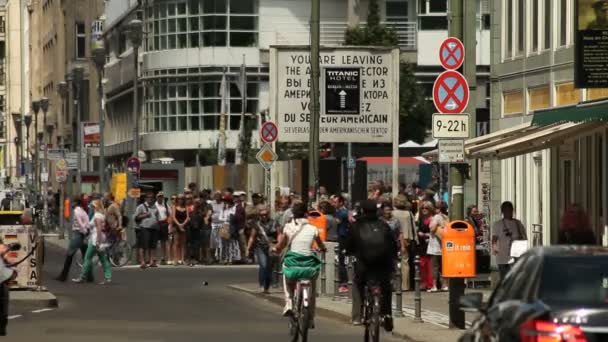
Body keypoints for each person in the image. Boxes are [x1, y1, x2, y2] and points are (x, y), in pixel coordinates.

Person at [346, 200, 398, 332]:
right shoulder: (383, 225)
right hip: (382, 264)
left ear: (362, 211)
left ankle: (357, 316)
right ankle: (387, 315)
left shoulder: (356, 226)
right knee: (386, 287)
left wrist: (348, 252)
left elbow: (349, 245)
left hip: (364, 264)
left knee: (358, 284)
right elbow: (393, 245)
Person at [272, 201, 326, 327]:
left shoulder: (288, 227)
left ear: (293, 214)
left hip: (293, 264)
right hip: (309, 265)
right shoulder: (313, 228)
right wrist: (322, 249)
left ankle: (289, 302)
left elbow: (282, 244)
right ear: (306, 214)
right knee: (312, 292)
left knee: (286, 275)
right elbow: (320, 244)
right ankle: (310, 319)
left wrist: (275, 249)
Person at [73, 200, 112, 285]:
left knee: (87, 257)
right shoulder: (102, 215)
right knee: (103, 259)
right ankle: (108, 277)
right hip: (101, 238)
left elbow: (98, 228)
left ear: (96, 207)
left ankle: (82, 277)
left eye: (92, 206)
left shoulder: (97, 215)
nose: (91, 208)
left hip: (95, 239)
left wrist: (98, 241)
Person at [55, 197, 90, 282]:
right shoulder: (83, 211)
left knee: (69, 255)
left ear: (76, 203)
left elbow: (80, 223)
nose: (71, 204)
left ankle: (63, 276)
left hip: (77, 234)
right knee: (86, 256)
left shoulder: (76, 211)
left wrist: (84, 231)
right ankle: (89, 276)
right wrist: (86, 232)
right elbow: (87, 222)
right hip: (82, 235)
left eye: (73, 203)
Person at [491, 201, 527, 281]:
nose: (508, 212)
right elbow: (494, 238)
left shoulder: (518, 223)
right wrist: (494, 248)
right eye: (506, 210)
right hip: (502, 257)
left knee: (515, 279)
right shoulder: (497, 224)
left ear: (512, 210)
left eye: (510, 210)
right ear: (502, 211)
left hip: (516, 257)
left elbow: (524, 238)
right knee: (504, 280)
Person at [245, 206, 272, 293]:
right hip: (261, 247)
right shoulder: (257, 225)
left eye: (265, 215)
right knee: (263, 265)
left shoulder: (274, 223)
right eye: (262, 215)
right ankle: (262, 285)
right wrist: (248, 249)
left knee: (269, 267)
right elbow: (252, 237)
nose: (264, 216)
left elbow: (279, 234)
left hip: (271, 247)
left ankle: (267, 286)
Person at [392, 195, 417, 291]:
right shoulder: (408, 213)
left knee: (394, 261)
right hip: (407, 239)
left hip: (395, 239)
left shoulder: (393, 213)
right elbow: (412, 228)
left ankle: (396, 284)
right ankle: (405, 285)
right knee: (405, 263)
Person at [134, 192, 161, 269]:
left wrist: (158, 225)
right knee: (143, 245)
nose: (150, 199)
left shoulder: (155, 207)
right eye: (149, 197)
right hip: (144, 228)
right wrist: (145, 215)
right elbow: (136, 218)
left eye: (152, 197)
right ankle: (143, 262)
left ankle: (152, 261)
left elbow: (157, 217)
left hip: (154, 228)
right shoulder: (141, 207)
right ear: (145, 198)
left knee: (152, 246)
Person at [428, 201, 448, 292]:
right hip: (445, 246)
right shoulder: (447, 217)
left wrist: (431, 223)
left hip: (435, 246)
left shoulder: (437, 217)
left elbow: (432, 228)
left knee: (435, 267)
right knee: (443, 267)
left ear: (438, 209)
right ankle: (445, 285)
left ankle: (434, 286)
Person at [217, 194, 241, 264]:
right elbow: (220, 218)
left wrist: (227, 217)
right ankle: (224, 258)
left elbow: (232, 217)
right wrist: (225, 218)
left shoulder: (233, 208)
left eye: (226, 201)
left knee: (230, 244)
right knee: (223, 244)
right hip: (224, 226)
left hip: (231, 227)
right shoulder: (223, 209)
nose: (225, 203)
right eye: (224, 201)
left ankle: (230, 259)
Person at [0, 241, 18, 336]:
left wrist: (12, 271)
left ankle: (2, 328)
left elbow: (11, 263)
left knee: (3, 310)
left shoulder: (2, 248)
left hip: (2, 281)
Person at [334, 195, 350, 293]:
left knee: (341, 260)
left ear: (341, 202)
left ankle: (344, 281)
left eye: (335, 202)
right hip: (340, 237)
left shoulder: (343, 212)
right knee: (340, 260)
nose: (334, 204)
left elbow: (337, 222)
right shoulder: (338, 212)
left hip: (342, 238)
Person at [417, 202, 434, 290]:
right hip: (422, 245)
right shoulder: (421, 219)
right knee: (422, 265)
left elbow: (435, 232)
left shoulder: (433, 219)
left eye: (426, 208)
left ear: (430, 209)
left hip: (430, 245)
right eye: (423, 208)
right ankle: (424, 283)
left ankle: (430, 284)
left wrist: (425, 235)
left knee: (430, 265)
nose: (424, 210)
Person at [172, 194, 189, 265]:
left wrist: (183, 224)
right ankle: (175, 259)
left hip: (184, 226)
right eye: (179, 198)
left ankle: (182, 259)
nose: (180, 200)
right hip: (176, 226)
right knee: (176, 243)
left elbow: (187, 217)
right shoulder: (174, 206)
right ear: (177, 199)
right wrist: (179, 225)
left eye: (182, 199)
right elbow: (173, 217)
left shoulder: (186, 207)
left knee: (183, 243)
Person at [187, 199, 205, 266]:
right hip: (191, 230)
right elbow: (188, 221)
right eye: (195, 203)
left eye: (198, 203)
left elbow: (202, 223)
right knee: (191, 245)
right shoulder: (190, 213)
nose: (196, 205)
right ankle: (191, 258)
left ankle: (197, 259)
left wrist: (199, 227)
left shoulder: (201, 213)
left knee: (197, 245)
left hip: (198, 231)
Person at [155, 192, 170, 265]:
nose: (160, 198)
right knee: (155, 241)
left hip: (164, 224)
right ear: (156, 197)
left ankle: (163, 257)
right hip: (157, 223)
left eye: (161, 197)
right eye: (159, 197)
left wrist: (168, 223)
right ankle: (154, 258)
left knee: (164, 241)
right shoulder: (154, 205)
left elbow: (169, 214)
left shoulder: (166, 205)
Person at [210, 191, 223, 263]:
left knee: (220, 242)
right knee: (213, 242)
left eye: (219, 195)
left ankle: (220, 257)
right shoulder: (212, 203)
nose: (217, 196)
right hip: (213, 224)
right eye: (216, 195)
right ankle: (212, 257)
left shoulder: (223, 204)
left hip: (221, 224)